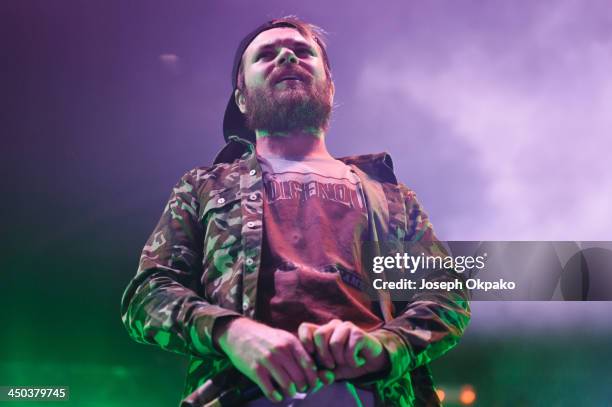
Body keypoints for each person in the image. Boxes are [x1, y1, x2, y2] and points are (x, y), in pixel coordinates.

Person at [121, 17, 470, 407]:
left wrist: (386, 346)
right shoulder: (203, 187)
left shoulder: (391, 198)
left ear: (330, 86)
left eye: (303, 51)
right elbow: (148, 295)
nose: (287, 55)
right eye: (266, 55)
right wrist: (231, 332)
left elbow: (446, 295)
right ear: (241, 98)